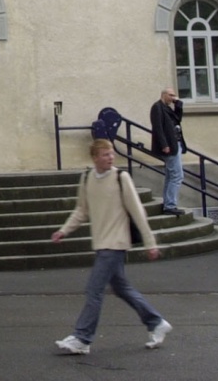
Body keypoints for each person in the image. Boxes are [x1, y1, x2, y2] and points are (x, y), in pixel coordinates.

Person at [50, 139, 172, 355]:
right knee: (122, 288)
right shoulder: (87, 178)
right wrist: (64, 230)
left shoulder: (120, 178)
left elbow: (137, 212)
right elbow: (81, 210)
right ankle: (156, 322)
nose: (111, 158)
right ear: (95, 157)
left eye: (112, 154)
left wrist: (150, 243)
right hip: (101, 242)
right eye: (106, 154)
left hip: (115, 243)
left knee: (94, 290)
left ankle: (82, 337)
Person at [150, 87, 186, 215]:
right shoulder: (157, 107)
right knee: (177, 175)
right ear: (163, 95)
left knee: (171, 176)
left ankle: (168, 203)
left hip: (176, 144)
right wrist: (164, 145)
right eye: (171, 95)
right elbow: (157, 128)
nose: (173, 98)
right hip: (169, 146)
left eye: (174, 95)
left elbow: (177, 119)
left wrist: (178, 105)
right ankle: (170, 205)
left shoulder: (167, 108)